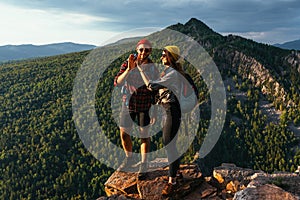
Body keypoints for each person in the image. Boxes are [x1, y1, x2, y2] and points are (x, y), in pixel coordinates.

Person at [137, 45, 185, 196]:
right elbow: (160, 93)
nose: (161, 57)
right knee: (170, 143)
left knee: (169, 143)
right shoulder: (169, 72)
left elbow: (151, 86)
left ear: (171, 57)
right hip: (168, 109)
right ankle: (176, 173)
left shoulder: (172, 74)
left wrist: (140, 69)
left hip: (171, 110)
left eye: (164, 54)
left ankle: (172, 182)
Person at [114, 39, 159, 179]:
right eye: (141, 49)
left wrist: (155, 111)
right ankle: (130, 158)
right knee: (124, 133)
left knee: (144, 135)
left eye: (147, 50)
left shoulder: (153, 68)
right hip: (128, 104)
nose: (143, 52)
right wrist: (128, 69)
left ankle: (144, 164)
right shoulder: (128, 63)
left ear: (150, 51)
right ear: (137, 49)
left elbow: (155, 90)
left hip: (144, 106)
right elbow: (118, 82)